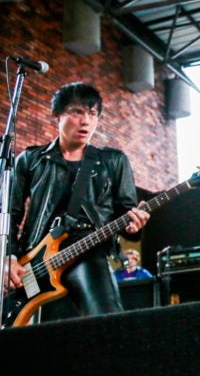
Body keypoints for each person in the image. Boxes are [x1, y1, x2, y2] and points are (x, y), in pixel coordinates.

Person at [4, 82, 151, 322]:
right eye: (76, 112)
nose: (85, 121)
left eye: (92, 114)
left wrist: (134, 226)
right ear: (57, 116)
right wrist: (8, 257)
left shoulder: (113, 161)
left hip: (88, 251)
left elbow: (126, 214)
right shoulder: (31, 159)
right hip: (36, 260)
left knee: (108, 320)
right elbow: (9, 213)